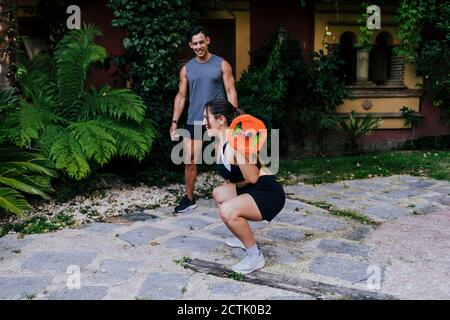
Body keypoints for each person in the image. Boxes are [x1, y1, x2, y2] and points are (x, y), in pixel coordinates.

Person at [203, 99, 286, 274]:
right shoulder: (221, 143)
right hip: (253, 188)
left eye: (206, 117)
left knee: (227, 210)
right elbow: (231, 178)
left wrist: (241, 148)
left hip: (269, 193)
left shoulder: (237, 143)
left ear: (221, 120)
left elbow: (253, 177)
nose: (203, 122)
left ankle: (254, 256)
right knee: (219, 193)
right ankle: (242, 236)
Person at [170, 25, 238, 213]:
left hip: (218, 120)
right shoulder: (187, 69)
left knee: (225, 159)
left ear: (207, 41)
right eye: (195, 43)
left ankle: (234, 196)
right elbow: (181, 96)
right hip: (194, 119)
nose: (199, 46)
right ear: (190, 45)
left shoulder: (222, 64)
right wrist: (175, 121)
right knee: (190, 160)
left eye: (201, 42)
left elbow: (231, 91)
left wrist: (233, 118)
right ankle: (189, 199)